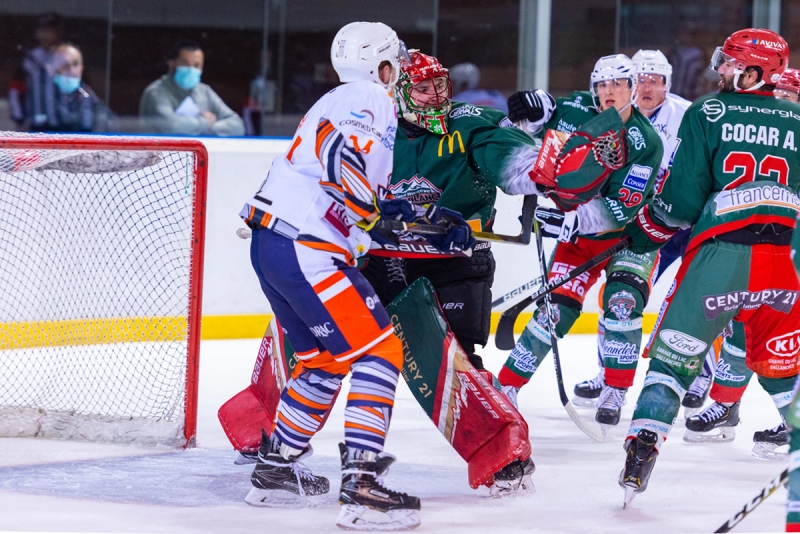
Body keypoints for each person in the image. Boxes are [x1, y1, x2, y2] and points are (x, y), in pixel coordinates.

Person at [237, 22, 455, 530]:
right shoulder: (368, 96)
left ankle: (275, 470)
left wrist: (408, 214)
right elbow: (342, 162)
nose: (400, 71)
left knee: (326, 361)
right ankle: (361, 488)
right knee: (381, 352)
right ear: (381, 66)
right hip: (307, 248)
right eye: (396, 61)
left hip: (276, 245)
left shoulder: (339, 97)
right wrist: (377, 214)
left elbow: (348, 179)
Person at [616, 29, 800, 511]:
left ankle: (643, 446)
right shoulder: (798, 119)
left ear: (753, 71)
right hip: (783, 264)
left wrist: (647, 227)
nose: (719, 69)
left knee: (672, 363)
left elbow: (680, 201)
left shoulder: (709, 111)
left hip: (721, 258)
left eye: (730, 62)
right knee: (785, 371)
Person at [361, 50, 547, 494]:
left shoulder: (468, 121)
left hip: (456, 261)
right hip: (384, 260)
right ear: (399, 93)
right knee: (329, 340)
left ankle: (505, 456)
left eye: (439, 85)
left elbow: (510, 156)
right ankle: (273, 436)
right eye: (423, 89)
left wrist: (541, 171)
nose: (435, 96)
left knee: (457, 361)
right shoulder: (375, 127)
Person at [497, 54, 663, 428]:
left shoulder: (646, 140)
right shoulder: (572, 107)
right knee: (553, 312)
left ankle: (615, 388)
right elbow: (526, 132)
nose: (609, 91)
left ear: (632, 87)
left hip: (630, 239)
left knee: (622, 303)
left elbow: (623, 207)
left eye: (618, 83)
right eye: (602, 84)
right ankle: (506, 386)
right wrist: (530, 115)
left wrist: (569, 217)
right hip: (578, 240)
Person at [680, 66, 800, 456]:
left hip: (790, 253)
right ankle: (727, 404)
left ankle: (791, 420)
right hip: (771, 253)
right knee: (744, 326)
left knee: (779, 338)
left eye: (788, 97)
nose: (779, 104)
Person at [571, 50, 700, 411]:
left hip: (686, 221)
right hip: (644, 224)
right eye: (641, 79)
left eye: (655, 81)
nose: (647, 87)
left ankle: (700, 378)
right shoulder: (613, 119)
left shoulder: (687, 114)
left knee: (695, 300)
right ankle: (607, 373)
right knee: (619, 298)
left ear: (667, 85)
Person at [139, 40, 244, 136]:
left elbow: (237, 126)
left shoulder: (205, 91)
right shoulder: (156, 92)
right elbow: (171, 126)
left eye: (196, 65)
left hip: (199, 150)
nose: (191, 69)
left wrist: (204, 128)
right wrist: (204, 122)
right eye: (185, 64)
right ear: (172, 64)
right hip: (159, 150)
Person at [8, 13, 64, 130]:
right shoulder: (29, 59)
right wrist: (19, 118)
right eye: (42, 30)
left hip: (64, 126)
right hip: (35, 125)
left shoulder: (68, 58)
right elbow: (16, 90)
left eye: (50, 30)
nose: (45, 35)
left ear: (58, 33)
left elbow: (82, 93)